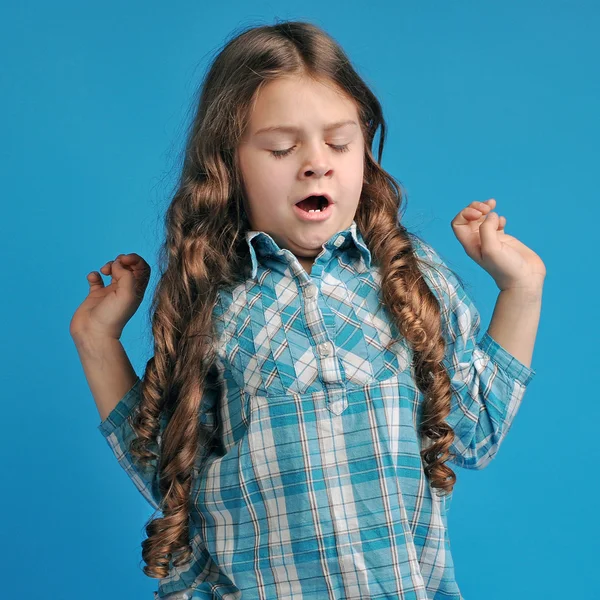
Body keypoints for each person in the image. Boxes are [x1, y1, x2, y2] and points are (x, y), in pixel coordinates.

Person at [70, 20, 545, 600]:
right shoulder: (213, 297)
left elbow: (475, 436)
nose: (317, 163)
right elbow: (169, 471)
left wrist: (521, 289)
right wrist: (98, 341)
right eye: (280, 147)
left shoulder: (410, 278)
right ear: (229, 163)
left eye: (340, 143)